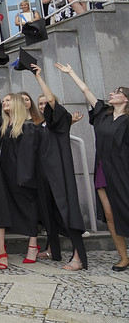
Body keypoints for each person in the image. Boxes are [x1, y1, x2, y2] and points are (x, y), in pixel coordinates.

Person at [56, 62, 129, 271]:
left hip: (124, 171)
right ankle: (123, 257)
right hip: (103, 170)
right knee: (110, 215)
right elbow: (86, 90)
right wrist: (71, 72)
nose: (112, 93)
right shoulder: (103, 114)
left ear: (126, 99)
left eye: (117, 92)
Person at [31, 65, 87, 270]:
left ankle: (78, 256)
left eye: (46, 103)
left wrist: (38, 77)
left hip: (60, 175)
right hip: (44, 176)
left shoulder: (61, 120)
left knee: (67, 212)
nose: (43, 106)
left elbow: (53, 103)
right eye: (40, 104)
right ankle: (53, 250)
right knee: (49, 212)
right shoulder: (40, 126)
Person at [0, 93, 41, 264]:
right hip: (6, 173)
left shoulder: (27, 126)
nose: (4, 103)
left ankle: (33, 245)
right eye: (3, 101)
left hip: (21, 174)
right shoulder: (5, 125)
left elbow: (28, 155)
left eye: (8, 100)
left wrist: (24, 177)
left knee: (28, 207)